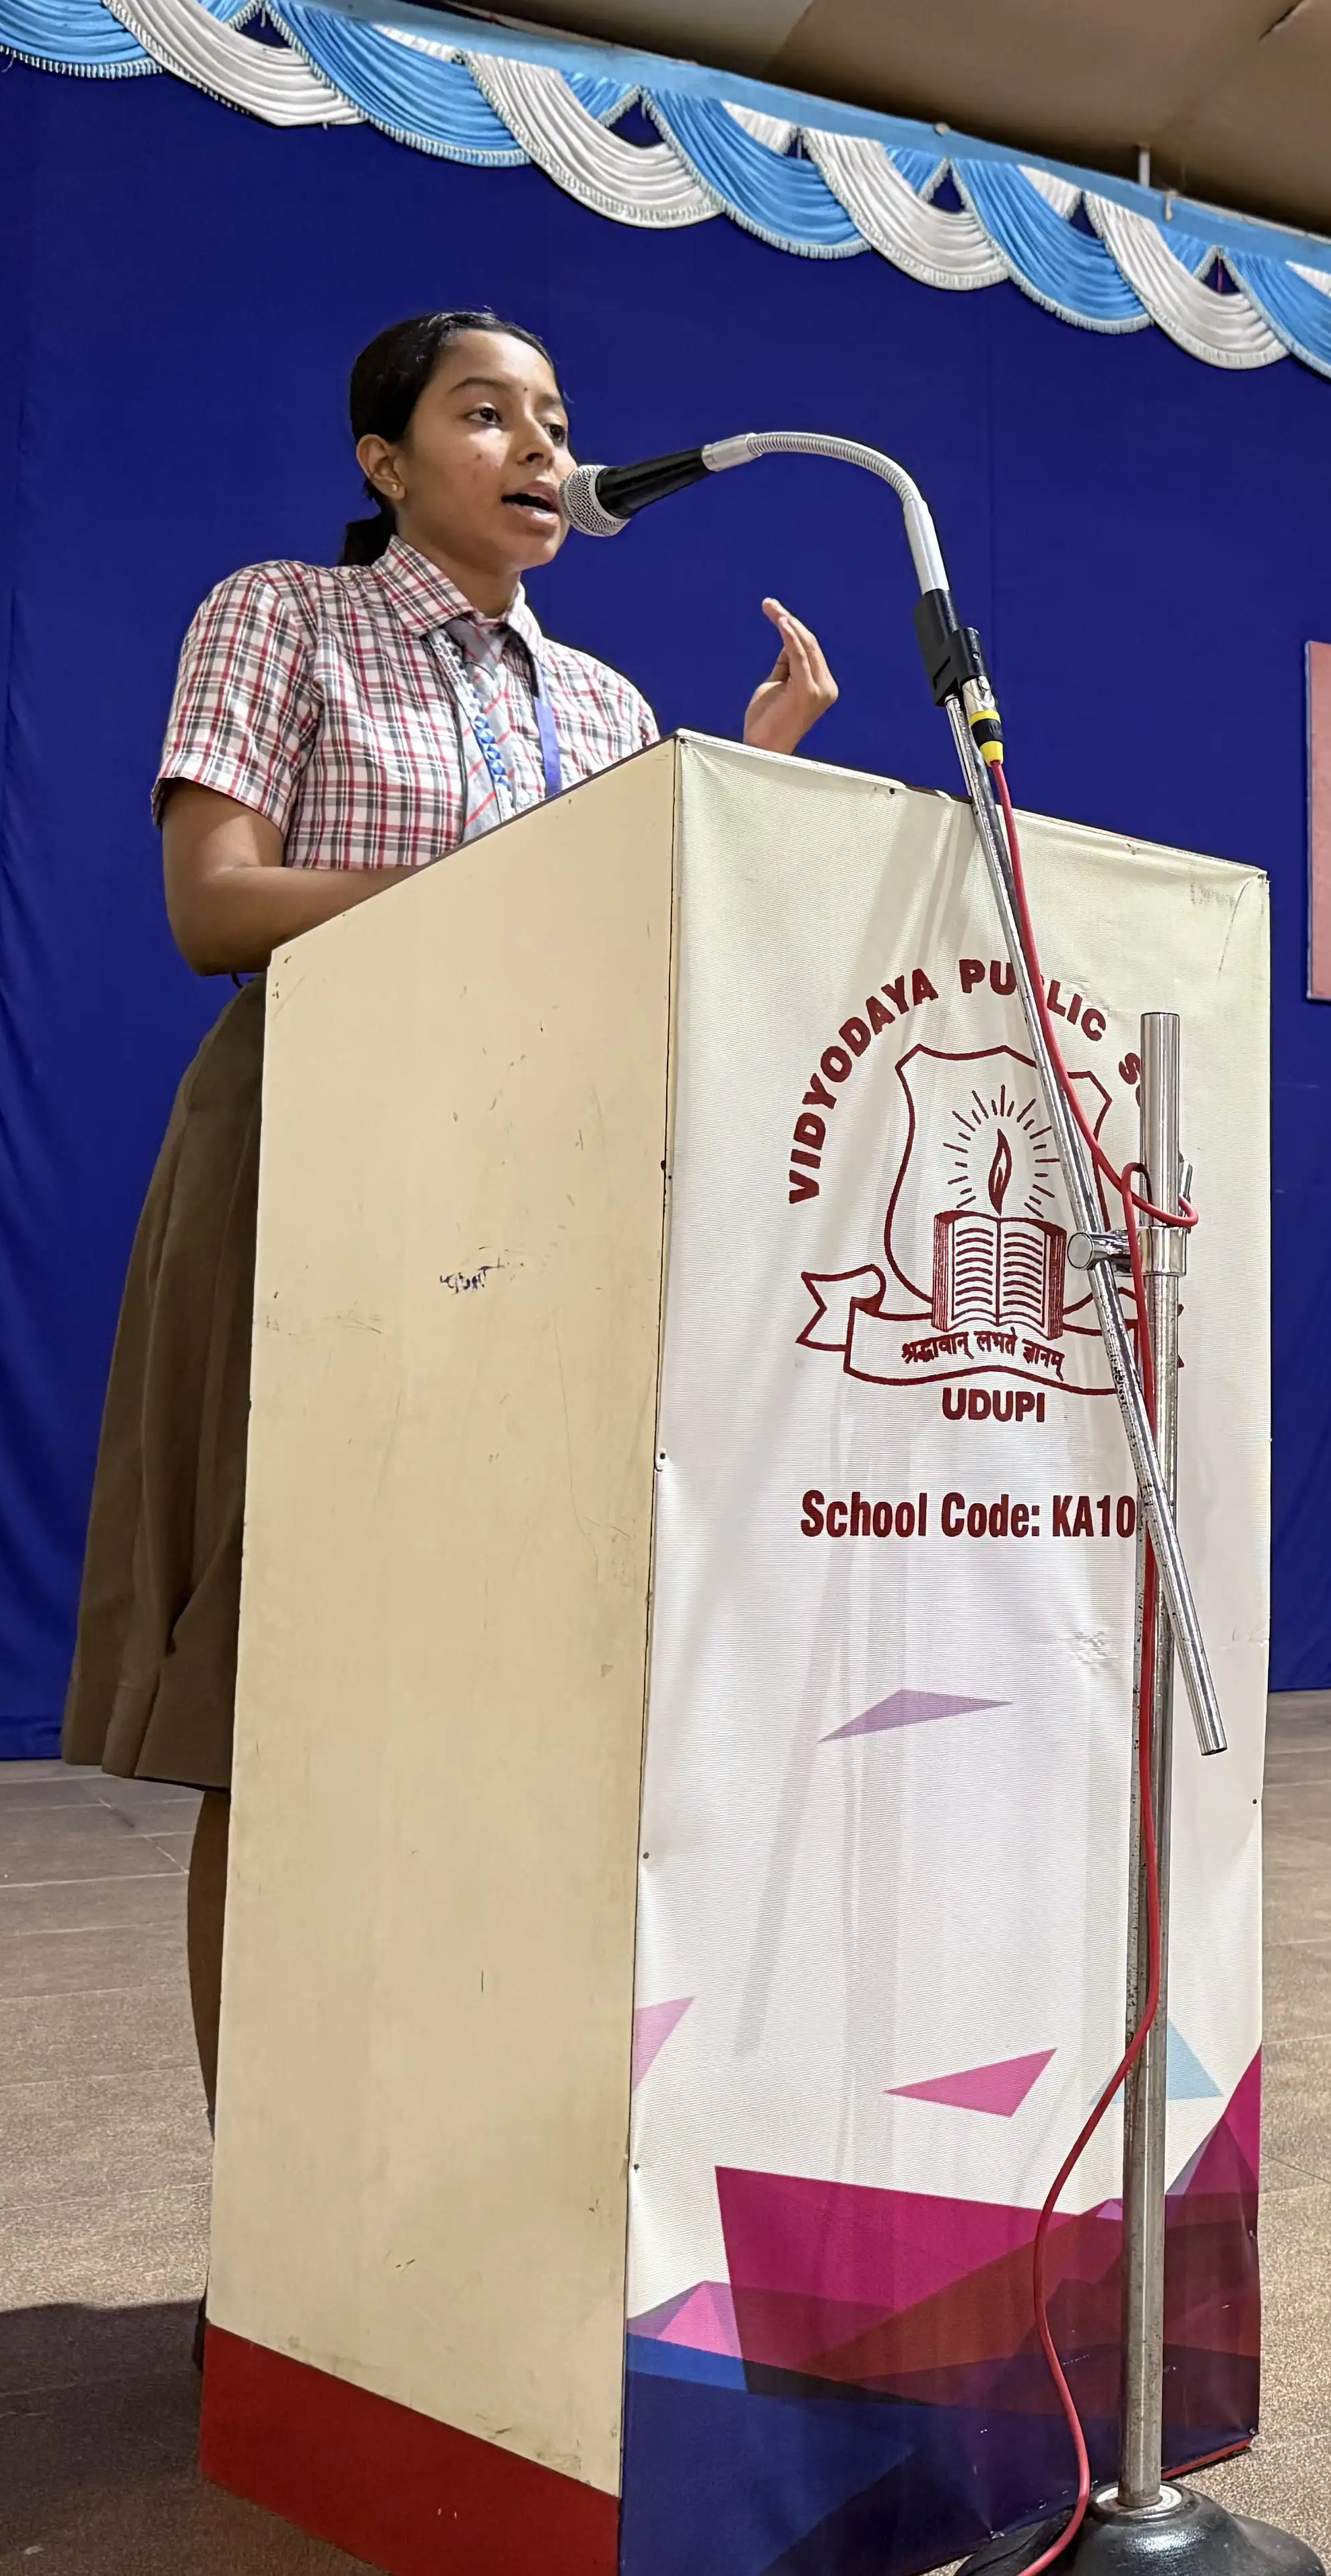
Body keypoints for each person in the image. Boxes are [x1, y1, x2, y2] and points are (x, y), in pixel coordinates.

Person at [60, 310, 841, 2123]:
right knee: (282, 1716)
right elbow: (214, 899)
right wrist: (489, 888)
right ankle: (275, 2243)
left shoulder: (606, 709)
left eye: (557, 420)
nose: (540, 447)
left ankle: (466, 2234)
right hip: (321, 1159)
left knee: (518, 1711)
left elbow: (665, 943)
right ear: (386, 462)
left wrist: (760, 776)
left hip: (550, 1197)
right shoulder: (283, 616)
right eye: (484, 413)